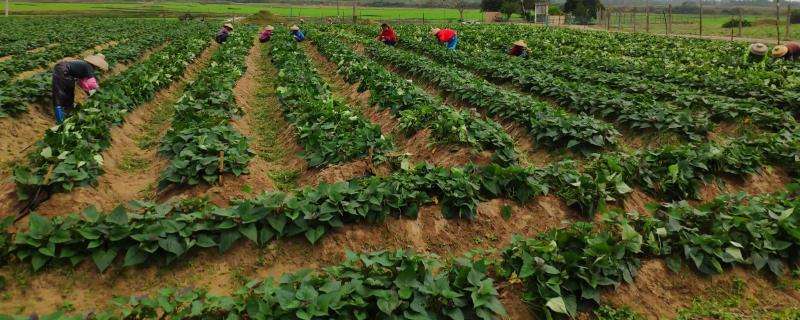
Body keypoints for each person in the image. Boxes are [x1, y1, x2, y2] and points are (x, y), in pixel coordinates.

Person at [51, 54, 107, 123]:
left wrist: (88, 93)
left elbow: (81, 83)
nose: (97, 69)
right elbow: (92, 83)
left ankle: (67, 115)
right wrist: (99, 91)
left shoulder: (83, 66)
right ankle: (60, 121)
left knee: (69, 94)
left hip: (64, 72)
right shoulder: (88, 66)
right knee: (59, 95)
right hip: (63, 71)